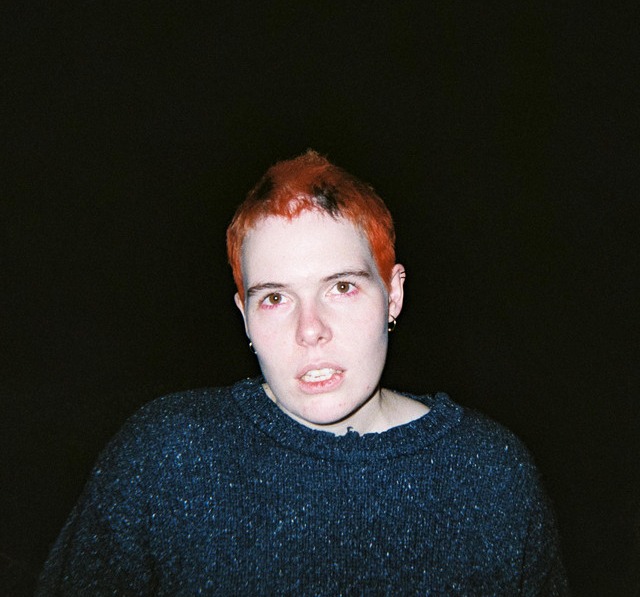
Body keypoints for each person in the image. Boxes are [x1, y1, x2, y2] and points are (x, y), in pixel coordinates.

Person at [37, 151, 570, 595]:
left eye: (342, 287)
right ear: (245, 316)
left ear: (394, 294)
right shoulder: (165, 458)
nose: (309, 330)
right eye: (274, 298)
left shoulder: (491, 474)